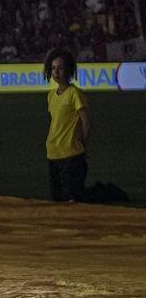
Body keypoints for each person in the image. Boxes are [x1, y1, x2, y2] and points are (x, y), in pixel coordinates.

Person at [44, 48, 91, 202]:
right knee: (57, 199)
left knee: (72, 199)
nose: (56, 72)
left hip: (70, 154)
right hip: (53, 153)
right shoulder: (51, 95)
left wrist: (82, 144)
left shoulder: (74, 93)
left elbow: (86, 122)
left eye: (60, 68)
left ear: (69, 70)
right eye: (53, 68)